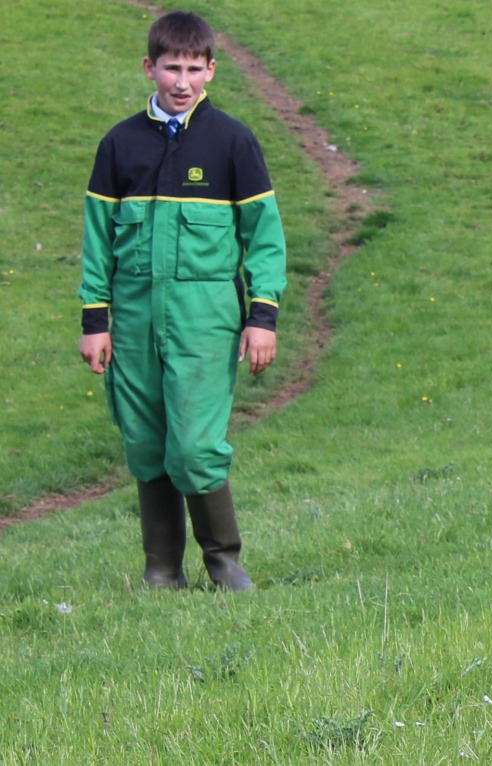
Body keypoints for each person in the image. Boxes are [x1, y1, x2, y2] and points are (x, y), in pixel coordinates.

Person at [77, 10, 286, 591]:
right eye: (171, 67)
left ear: (211, 72)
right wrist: (96, 320)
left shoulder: (233, 143)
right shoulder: (118, 145)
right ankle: (162, 571)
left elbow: (263, 239)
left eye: (194, 69)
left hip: (204, 319)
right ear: (150, 68)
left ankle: (224, 564)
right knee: (146, 445)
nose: (181, 81)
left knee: (193, 447)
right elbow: (97, 242)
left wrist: (261, 317)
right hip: (136, 318)